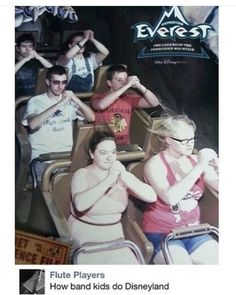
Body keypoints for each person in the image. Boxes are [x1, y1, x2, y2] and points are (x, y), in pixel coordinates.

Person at [68, 131, 156, 264]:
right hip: (85, 243)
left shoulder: (120, 175)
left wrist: (125, 176)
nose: (110, 158)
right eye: (103, 153)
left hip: (116, 241)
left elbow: (151, 196)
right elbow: (80, 205)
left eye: (113, 152)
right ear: (92, 154)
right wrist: (109, 179)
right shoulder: (82, 174)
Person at [142, 114, 219, 264]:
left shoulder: (195, 161)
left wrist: (220, 169)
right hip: (162, 232)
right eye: (184, 140)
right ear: (168, 140)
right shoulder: (154, 164)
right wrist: (200, 166)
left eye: (192, 139)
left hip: (193, 230)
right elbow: (170, 197)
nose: (190, 144)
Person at [22, 65, 95, 181]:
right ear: (47, 82)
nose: (60, 87)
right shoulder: (36, 101)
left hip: (66, 156)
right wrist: (59, 105)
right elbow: (32, 124)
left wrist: (75, 99)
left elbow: (91, 117)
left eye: (64, 82)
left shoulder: (68, 100)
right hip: (42, 157)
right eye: (56, 82)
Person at [91, 64, 161, 145]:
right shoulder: (98, 97)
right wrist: (127, 85)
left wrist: (139, 86)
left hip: (124, 144)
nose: (123, 83)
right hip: (105, 145)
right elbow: (101, 105)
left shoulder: (129, 98)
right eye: (119, 80)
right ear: (109, 83)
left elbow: (155, 103)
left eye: (125, 80)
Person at [15, 33, 53, 98]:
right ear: (17, 48)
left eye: (30, 46)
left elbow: (55, 71)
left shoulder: (37, 61)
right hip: (19, 99)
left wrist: (39, 57)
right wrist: (26, 59)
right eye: (24, 46)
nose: (27, 49)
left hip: (37, 97)